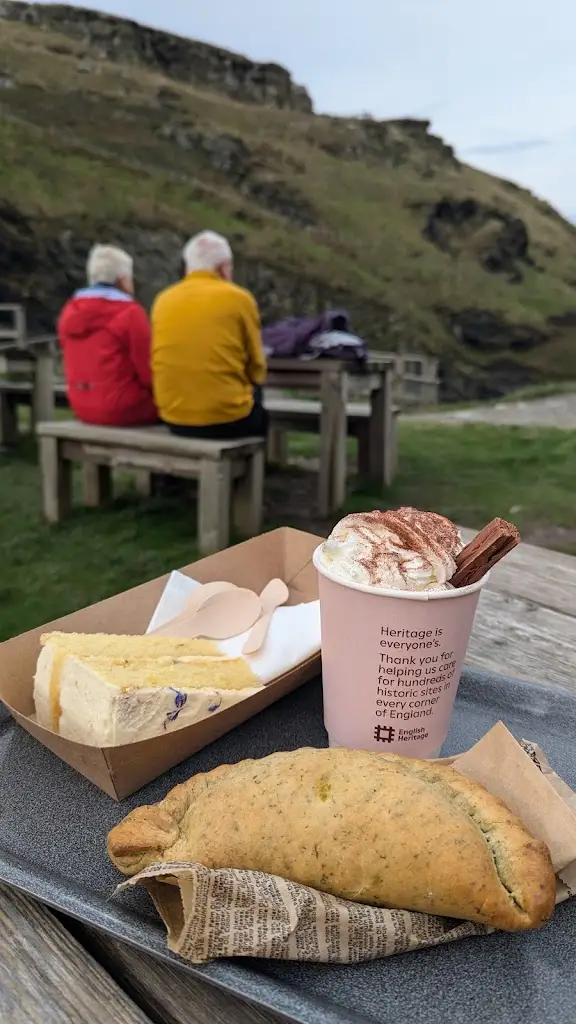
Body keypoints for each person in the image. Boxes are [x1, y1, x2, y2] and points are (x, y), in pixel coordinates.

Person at [151, 231, 267, 439]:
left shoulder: (162, 301)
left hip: (173, 417)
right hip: (226, 419)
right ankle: (255, 470)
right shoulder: (239, 299)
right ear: (223, 268)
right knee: (260, 410)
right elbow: (257, 369)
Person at [58, 244, 157, 426]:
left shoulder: (69, 311)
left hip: (81, 406)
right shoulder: (130, 313)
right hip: (125, 408)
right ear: (122, 280)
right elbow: (148, 371)